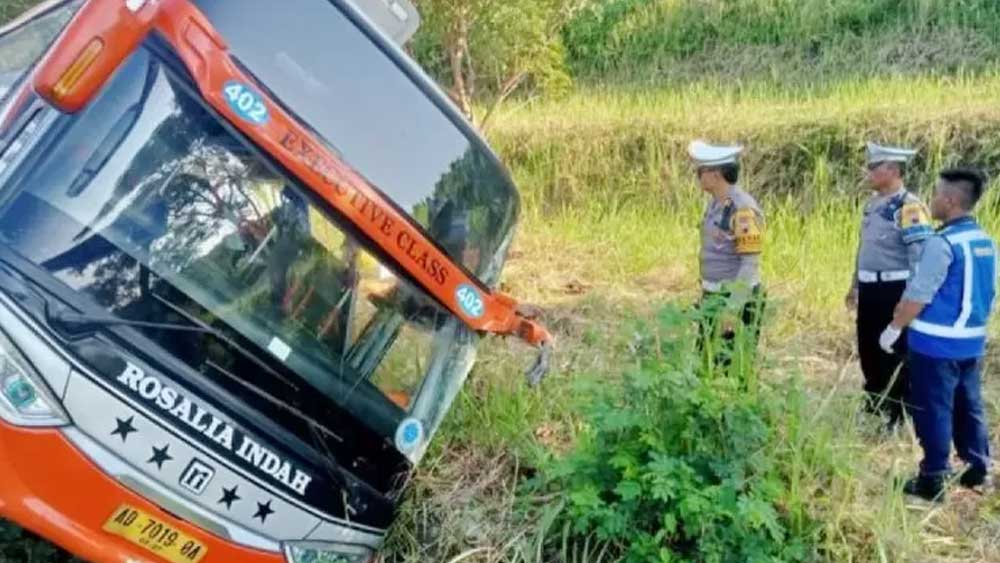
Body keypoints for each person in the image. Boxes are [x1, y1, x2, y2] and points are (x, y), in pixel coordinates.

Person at [879, 167, 995, 501]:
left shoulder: (941, 243)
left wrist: (894, 328)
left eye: (936, 194)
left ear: (950, 200)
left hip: (935, 344)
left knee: (933, 408)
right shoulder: (984, 240)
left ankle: (933, 478)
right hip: (971, 341)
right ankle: (977, 469)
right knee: (968, 404)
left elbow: (918, 294)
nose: (931, 200)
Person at [845, 142, 932, 428]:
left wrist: (908, 297)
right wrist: (854, 284)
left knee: (893, 351)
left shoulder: (910, 206)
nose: (869, 172)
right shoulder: (873, 205)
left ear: (893, 170)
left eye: (874, 167)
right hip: (870, 288)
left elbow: (919, 256)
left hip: (894, 289)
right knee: (868, 347)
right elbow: (864, 249)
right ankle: (874, 405)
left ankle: (897, 413)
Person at [689, 140, 766, 364]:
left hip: (733, 298)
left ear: (715, 175)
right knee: (706, 363)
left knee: (730, 368)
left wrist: (733, 307)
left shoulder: (742, 209)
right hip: (714, 295)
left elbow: (750, 263)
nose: (698, 176)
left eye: (700, 171)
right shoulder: (717, 204)